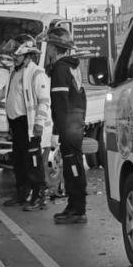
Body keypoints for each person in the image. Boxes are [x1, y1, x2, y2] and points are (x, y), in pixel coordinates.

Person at [0, 35, 50, 210]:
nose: (13, 57)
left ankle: (39, 196)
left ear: (27, 55)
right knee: (19, 160)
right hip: (16, 124)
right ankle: (22, 193)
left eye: (17, 55)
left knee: (33, 161)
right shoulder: (13, 71)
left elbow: (44, 101)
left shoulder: (36, 73)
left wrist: (39, 123)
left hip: (29, 125)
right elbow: (4, 92)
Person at [44, 27, 88, 224]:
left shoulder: (60, 69)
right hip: (75, 121)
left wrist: (57, 130)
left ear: (54, 48)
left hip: (68, 123)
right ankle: (74, 206)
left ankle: (77, 210)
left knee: (72, 167)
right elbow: (81, 98)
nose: (48, 50)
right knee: (73, 165)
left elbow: (60, 103)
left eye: (49, 46)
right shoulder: (72, 67)